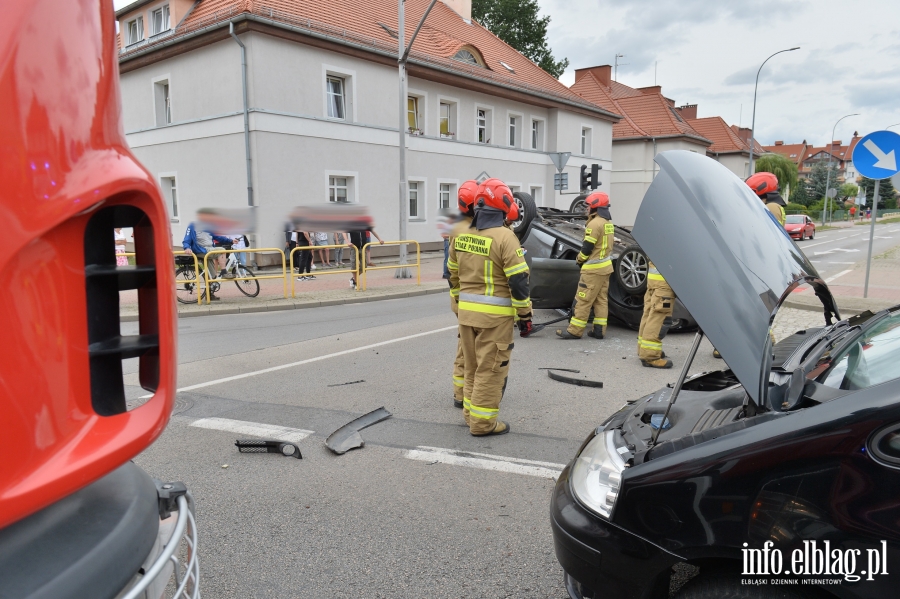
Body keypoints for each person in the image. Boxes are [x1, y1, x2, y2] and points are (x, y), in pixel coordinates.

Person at [448, 178, 531, 436]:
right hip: (494, 320)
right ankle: (483, 424)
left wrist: (460, 304)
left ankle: (470, 415)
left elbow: (452, 275)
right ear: (502, 207)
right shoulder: (505, 237)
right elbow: (518, 281)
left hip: (467, 315)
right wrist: (525, 315)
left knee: (472, 367)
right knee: (491, 370)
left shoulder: (461, 236)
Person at [556, 191, 615, 340]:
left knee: (583, 299)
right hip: (605, 268)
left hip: (593, 270)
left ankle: (574, 331)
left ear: (595, 207)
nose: (586, 208)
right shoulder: (607, 223)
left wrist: (579, 259)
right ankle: (599, 331)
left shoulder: (594, 224)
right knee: (601, 300)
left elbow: (587, 248)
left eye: (588, 206)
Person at [447, 180, 479, 409]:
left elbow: (451, 270)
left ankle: (460, 393)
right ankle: (465, 393)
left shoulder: (458, 227)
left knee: (464, 346)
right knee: (468, 349)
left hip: (461, 296)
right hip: (470, 296)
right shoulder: (469, 229)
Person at [636, 260, 674, 368]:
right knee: (659, 318)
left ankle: (643, 349)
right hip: (664, 285)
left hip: (653, 280)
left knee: (649, 315)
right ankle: (650, 356)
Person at [182, 222, 233, 300]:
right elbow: (187, 238)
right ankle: (224, 272)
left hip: (209, 251)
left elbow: (217, 237)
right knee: (222, 250)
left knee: (212, 276)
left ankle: (209, 295)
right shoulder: (193, 225)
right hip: (201, 250)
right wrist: (187, 247)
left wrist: (230, 241)